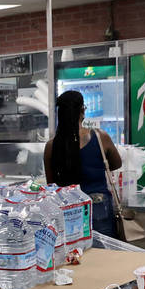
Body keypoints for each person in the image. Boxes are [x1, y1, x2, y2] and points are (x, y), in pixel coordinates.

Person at [43, 89, 122, 239]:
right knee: (104, 254)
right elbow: (116, 164)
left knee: (74, 254)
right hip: (98, 206)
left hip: (67, 211)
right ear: (82, 111)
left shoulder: (51, 146)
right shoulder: (100, 137)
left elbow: (51, 184)